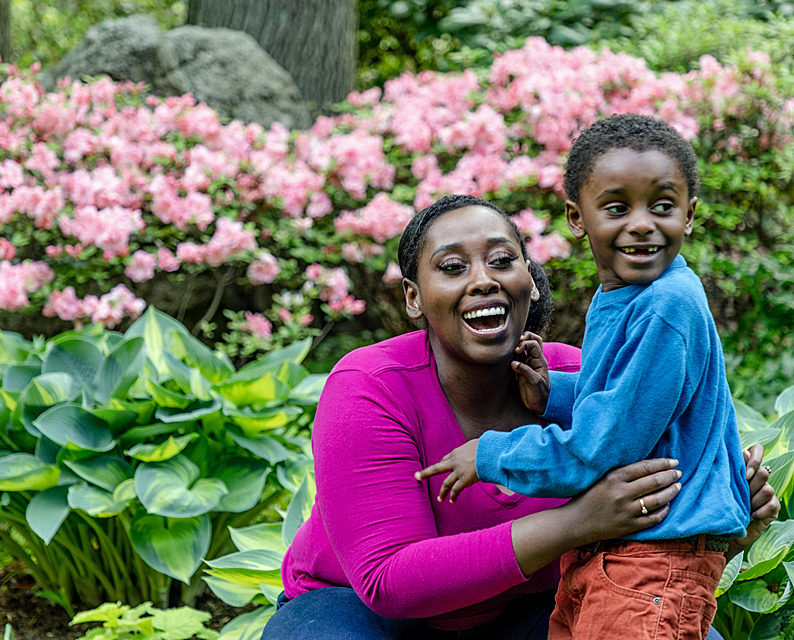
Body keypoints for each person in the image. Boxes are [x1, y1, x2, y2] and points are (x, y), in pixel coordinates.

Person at [262, 193, 778, 640]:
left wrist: (727, 522)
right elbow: (390, 580)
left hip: (527, 611)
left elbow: (650, 560)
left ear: (529, 282)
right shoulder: (372, 387)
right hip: (358, 613)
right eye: (452, 267)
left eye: (502, 260)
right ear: (414, 298)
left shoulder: (591, 385)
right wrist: (577, 522)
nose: (483, 280)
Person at [416, 115, 754, 639]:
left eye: (662, 207)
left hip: (654, 560)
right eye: (617, 208)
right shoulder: (625, 295)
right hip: (619, 553)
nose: (641, 224)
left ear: (689, 216)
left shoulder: (666, 305)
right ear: (578, 217)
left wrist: (489, 454)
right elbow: (634, 401)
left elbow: (604, 448)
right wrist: (554, 393)